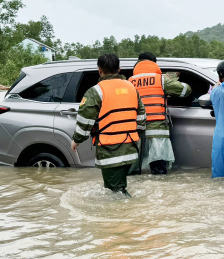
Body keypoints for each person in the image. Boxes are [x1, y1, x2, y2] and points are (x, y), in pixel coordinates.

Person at [71, 54, 146, 197]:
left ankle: (129, 217)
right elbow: (142, 118)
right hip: (131, 148)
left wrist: (76, 140)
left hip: (110, 150)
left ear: (99, 70)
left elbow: (85, 120)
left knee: (116, 193)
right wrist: (135, 136)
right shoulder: (132, 88)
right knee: (118, 187)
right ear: (119, 69)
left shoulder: (95, 91)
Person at [129, 52, 192, 175]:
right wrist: (170, 80)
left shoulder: (130, 81)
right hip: (157, 131)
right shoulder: (161, 79)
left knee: (133, 171)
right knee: (158, 173)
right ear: (154, 63)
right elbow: (186, 90)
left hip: (136, 131)